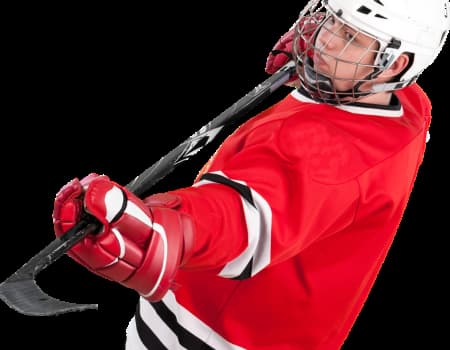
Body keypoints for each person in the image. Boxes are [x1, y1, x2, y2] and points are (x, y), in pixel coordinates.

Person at [51, 0, 450, 349]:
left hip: (214, 332)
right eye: (329, 21)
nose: (326, 41)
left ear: (394, 64)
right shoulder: (408, 106)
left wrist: (169, 227)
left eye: (351, 38)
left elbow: (243, 216)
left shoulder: (326, 152)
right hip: (289, 326)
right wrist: (321, 81)